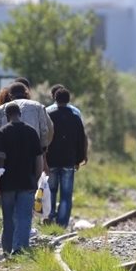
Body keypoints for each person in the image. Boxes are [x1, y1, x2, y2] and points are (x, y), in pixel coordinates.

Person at [0, 102, 43, 255]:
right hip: (27, 181)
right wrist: (35, 178)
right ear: (20, 114)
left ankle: (7, 250)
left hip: (7, 182)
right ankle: (20, 249)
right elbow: (39, 160)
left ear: (7, 115)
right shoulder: (32, 132)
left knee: (8, 218)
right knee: (24, 217)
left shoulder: (2, 133)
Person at [46, 88, 87, 228]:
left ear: (55, 99)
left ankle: (49, 217)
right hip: (69, 160)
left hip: (50, 159)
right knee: (66, 194)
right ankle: (62, 223)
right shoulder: (75, 117)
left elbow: (44, 137)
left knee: (51, 191)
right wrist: (79, 159)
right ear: (69, 100)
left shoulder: (48, 115)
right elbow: (80, 140)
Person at [0, 82, 53, 152]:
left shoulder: (1, 109)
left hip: (9, 150)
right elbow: (44, 130)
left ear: (10, 95)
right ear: (26, 93)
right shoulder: (38, 106)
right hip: (32, 149)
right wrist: (43, 148)